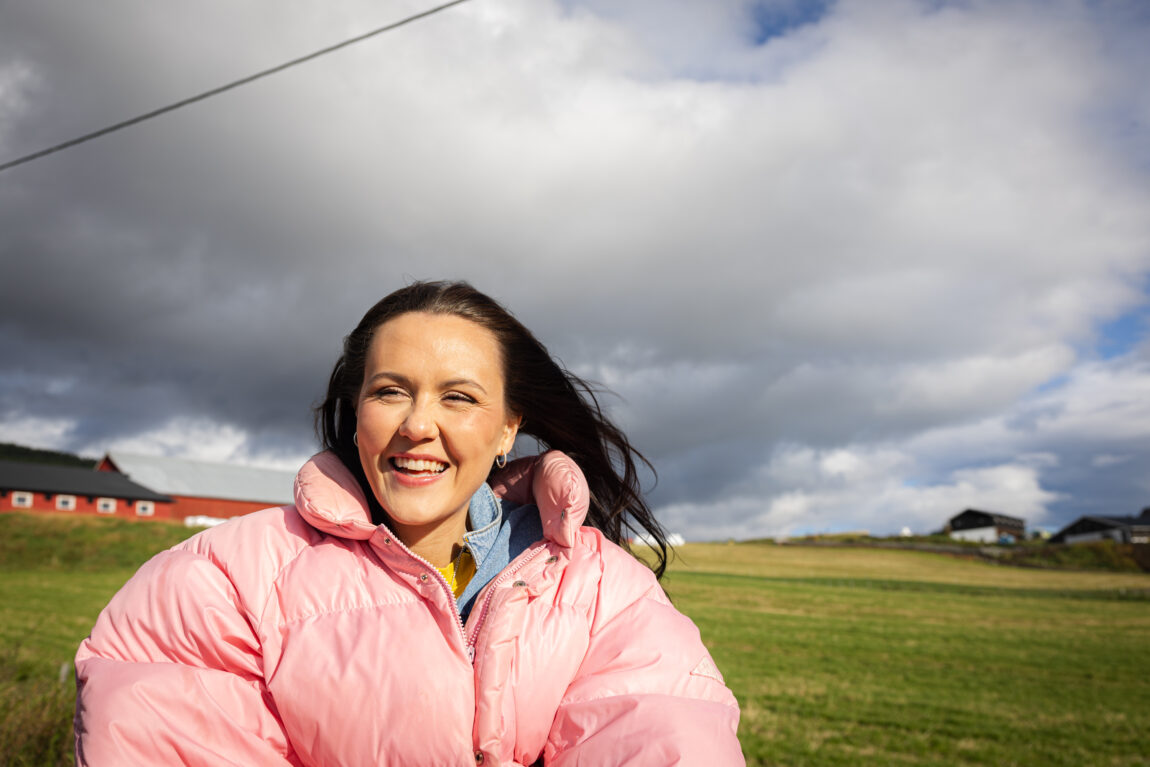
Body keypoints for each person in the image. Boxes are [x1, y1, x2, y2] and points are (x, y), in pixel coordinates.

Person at [74, 281, 744, 765]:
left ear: (510, 426)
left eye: (459, 396)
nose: (418, 425)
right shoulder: (221, 580)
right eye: (390, 390)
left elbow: (666, 737)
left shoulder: (601, 588)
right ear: (356, 410)